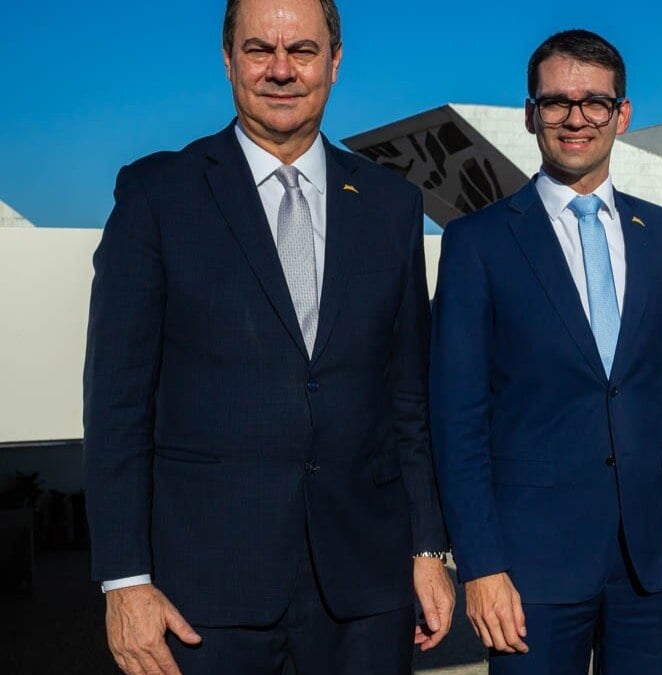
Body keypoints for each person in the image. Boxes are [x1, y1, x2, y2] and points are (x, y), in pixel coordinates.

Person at [83, 1, 453, 672]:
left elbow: (408, 397)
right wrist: (123, 579)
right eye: (259, 50)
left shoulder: (393, 204)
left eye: (303, 51)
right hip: (205, 597)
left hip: (367, 592)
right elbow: (117, 405)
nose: (281, 70)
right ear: (228, 60)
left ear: (334, 62)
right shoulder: (157, 194)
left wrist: (429, 547)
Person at [430, 29, 662, 674]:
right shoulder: (477, 244)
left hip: (654, 564)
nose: (575, 118)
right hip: (531, 569)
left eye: (594, 102)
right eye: (557, 102)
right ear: (531, 114)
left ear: (622, 114)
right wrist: (480, 566)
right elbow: (457, 422)